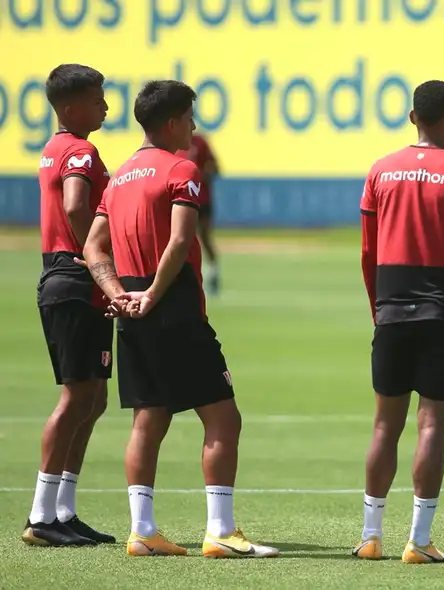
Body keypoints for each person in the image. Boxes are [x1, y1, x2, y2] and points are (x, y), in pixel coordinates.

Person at [81, 80, 278, 559]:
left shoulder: (121, 174)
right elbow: (179, 241)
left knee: (148, 421)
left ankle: (142, 531)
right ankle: (221, 531)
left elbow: (92, 247)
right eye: (190, 117)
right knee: (223, 418)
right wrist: (152, 293)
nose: (194, 125)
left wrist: (121, 295)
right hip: (175, 308)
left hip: (131, 310)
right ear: (171, 122)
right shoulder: (181, 169)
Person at [352, 79, 444, 564]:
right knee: (432, 424)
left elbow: (368, 252)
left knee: (383, 427)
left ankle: (371, 537)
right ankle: (417, 541)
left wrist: (379, 308)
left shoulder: (380, 171)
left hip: (392, 309)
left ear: (412, 117)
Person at [23, 64, 115, 548]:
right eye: (97, 98)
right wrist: (97, 259)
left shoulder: (54, 149)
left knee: (93, 398)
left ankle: (62, 510)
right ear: (69, 107)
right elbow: (77, 205)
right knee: (78, 398)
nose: (105, 106)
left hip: (69, 279)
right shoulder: (79, 150)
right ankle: (41, 516)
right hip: (75, 279)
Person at [177, 133, 221, 295]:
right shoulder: (173, 144)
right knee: (182, 238)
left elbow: (216, 167)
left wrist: (201, 175)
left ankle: (213, 272)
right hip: (181, 199)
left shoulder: (199, 142)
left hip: (202, 198)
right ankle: (186, 276)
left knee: (204, 236)